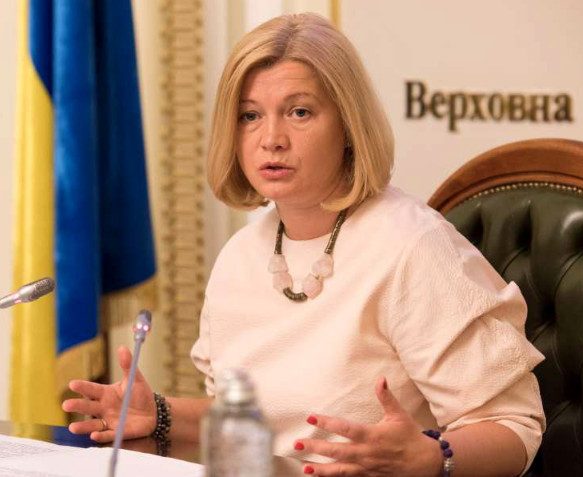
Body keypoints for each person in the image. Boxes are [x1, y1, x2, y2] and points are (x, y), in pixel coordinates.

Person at [63, 12, 545, 477]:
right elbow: (263, 423)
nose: (271, 138)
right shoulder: (242, 255)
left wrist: (431, 458)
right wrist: (161, 415)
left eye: (299, 112)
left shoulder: (411, 246)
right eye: (250, 115)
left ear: (349, 126)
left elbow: (514, 428)